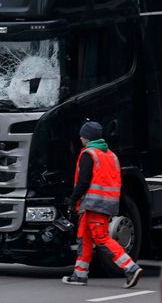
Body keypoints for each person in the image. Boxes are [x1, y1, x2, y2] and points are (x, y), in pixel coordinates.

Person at [62, 121, 143, 288]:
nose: (80, 138)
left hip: (93, 204)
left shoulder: (89, 154)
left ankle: (130, 267)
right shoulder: (111, 155)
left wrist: (72, 201)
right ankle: (79, 275)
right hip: (106, 203)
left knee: (101, 238)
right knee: (84, 237)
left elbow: (83, 182)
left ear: (86, 138)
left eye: (82, 135)